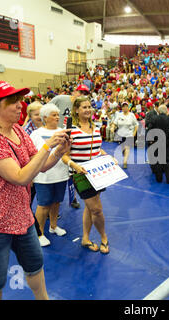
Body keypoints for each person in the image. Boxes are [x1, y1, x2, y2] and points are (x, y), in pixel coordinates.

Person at [0, 81, 72, 300]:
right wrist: (47, 146)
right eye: (13, 102)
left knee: (35, 265)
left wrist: (59, 151)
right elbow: (20, 177)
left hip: (20, 216)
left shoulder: (17, 131)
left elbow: (39, 166)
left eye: (19, 100)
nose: (19, 106)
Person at [61, 97, 113, 254]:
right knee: (96, 209)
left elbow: (97, 149)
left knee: (90, 208)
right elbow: (63, 155)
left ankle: (85, 238)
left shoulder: (95, 127)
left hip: (97, 173)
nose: (88, 109)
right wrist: (75, 166)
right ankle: (104, 237)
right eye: (84, 107)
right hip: (80, 175)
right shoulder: (71, 130)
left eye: (89, 106)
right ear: (76, 110)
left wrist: (108, 157)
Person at [30, 104, 69, 247]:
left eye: (58, 115)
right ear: (45, 117)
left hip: (61, 174)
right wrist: (32, 176)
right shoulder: (36, 134)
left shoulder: (63, 132)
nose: (57, 117)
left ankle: (53, 226)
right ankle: (39, 233)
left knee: (56, 202)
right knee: (43, 204)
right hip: (43, 177)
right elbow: (32, 156)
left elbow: (67, 152)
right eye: (54, 115)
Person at [149, 105, 169, 184]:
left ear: (159, 111)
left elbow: (150, 129)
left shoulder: (154, 118)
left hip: (156, 142)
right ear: (166, 111)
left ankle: (159, 178)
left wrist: (151, 140)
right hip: (167, 143)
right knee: (168, 161)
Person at [110, 101, 139, 169]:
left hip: (129, 134)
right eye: (123, 106)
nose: (125, 108)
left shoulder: (132, 115)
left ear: (128, 107)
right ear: (122, 108)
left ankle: (125, 161)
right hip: (121, 135)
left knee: (127, 148)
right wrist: (112, 127)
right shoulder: (119, 115)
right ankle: (124, 155)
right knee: (123, 149)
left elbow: (136, 125)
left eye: (126, 106)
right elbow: (114, 123)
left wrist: (134, 133)